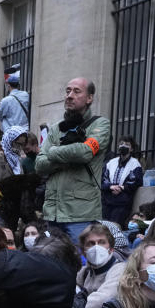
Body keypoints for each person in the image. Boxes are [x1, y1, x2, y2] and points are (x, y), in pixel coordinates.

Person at [35, 77, 111, 243]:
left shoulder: (100, 125)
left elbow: (85, 152)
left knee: (81, 264)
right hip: (52, 212)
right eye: (68, 91)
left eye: (77, 91)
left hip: (81, 213)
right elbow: (39, 165)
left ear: (89, 98)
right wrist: (67, 158)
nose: (69, 95)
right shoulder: (56, 128)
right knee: (54, 264)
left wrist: (53, 151)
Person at [76, 222, 125, 308]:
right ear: (83, 251)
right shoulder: (84, 271)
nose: (96, 247)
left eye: (102, 242)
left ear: (111, 249)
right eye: (91, 243)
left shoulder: (120, 269)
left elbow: (102, 300)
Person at [100, 136, 143, 225]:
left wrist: (121, 188)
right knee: (104, 227)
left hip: (122, 204)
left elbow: (136, 181)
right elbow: (103, 179)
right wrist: (111, 187)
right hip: (107, 202)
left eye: (127, 144)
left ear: (131, 149)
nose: (123, 146)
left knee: (115, 227)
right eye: (121, 144)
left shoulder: (135, 164)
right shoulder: (111, 163)